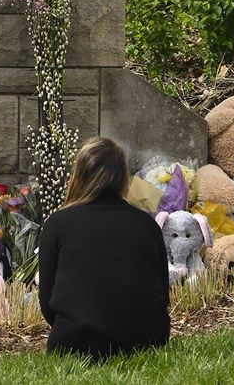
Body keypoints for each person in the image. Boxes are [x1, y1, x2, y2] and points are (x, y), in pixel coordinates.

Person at [37, 136, 170, 359]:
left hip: (75, 342)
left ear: (78, 177)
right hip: (147, 340)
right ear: (123, 180)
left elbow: (47, 302)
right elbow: (162, 294)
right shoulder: (147, 224)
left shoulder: (57, 224)